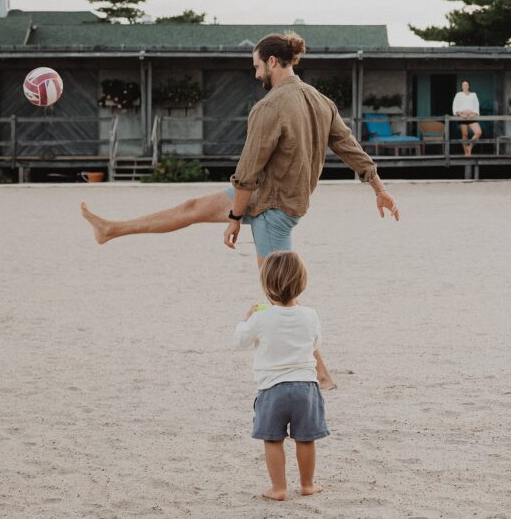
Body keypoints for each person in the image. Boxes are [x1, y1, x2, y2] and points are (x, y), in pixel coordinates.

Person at [81, 32, 400, 389]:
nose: (255, 74)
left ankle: (322, 375)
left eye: (257, 66)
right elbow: (350, 147)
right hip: (266, 193)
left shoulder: (271, 106)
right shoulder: (321, 101)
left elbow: (248, 167)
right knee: (191, 208)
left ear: (273, 62)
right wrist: (379, 189)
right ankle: (111, 229)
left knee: (281, 294)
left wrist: (235, 218)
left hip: (274, 209)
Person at [234, 251, 326, 501]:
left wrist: (246, 319)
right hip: (305, 387)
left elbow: (240, 340)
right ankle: (307, 484)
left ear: (266, 285)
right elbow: (316, 341)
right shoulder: (310, 315)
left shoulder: (261, 317)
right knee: (305, 439)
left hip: (272, 388)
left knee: (273, 439)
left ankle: (278, 488)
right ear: (302, 283)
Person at [452, 80, 482, 156]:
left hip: (471, 117)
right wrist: (460, 114)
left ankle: (470, 147)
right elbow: (455, 106)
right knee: (465, 135)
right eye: (463, 85)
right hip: (463, 117)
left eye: (466, 85)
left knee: (478, 132)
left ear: (469, 86)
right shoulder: (458, 94)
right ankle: (466, 153)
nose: (465, 86)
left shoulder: (473, 94)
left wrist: (474, 113)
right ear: (462, 87)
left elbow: (476, 105)